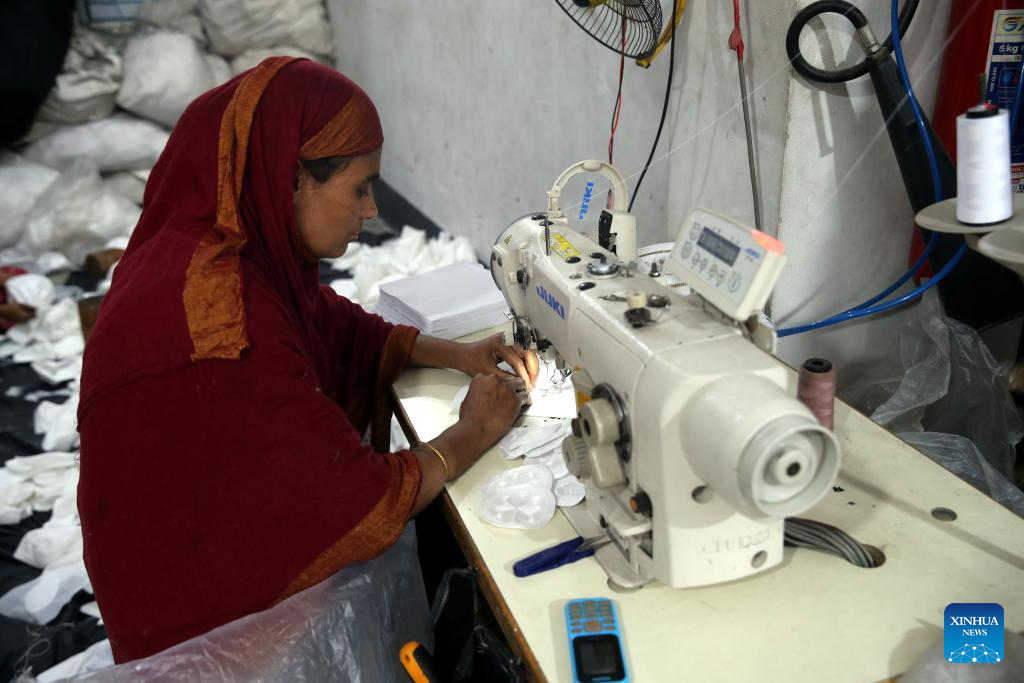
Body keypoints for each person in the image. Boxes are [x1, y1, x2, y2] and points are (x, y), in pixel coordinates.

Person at [76, 57, 539, 663]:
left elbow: (326, 322)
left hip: (180, 565)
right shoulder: (224, 323)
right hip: (203, 634)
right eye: (360, 187)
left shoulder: (226, 255)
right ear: (293, 178)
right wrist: (473, 432)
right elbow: (354, 498)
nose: (371, 209)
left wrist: (457, 352)